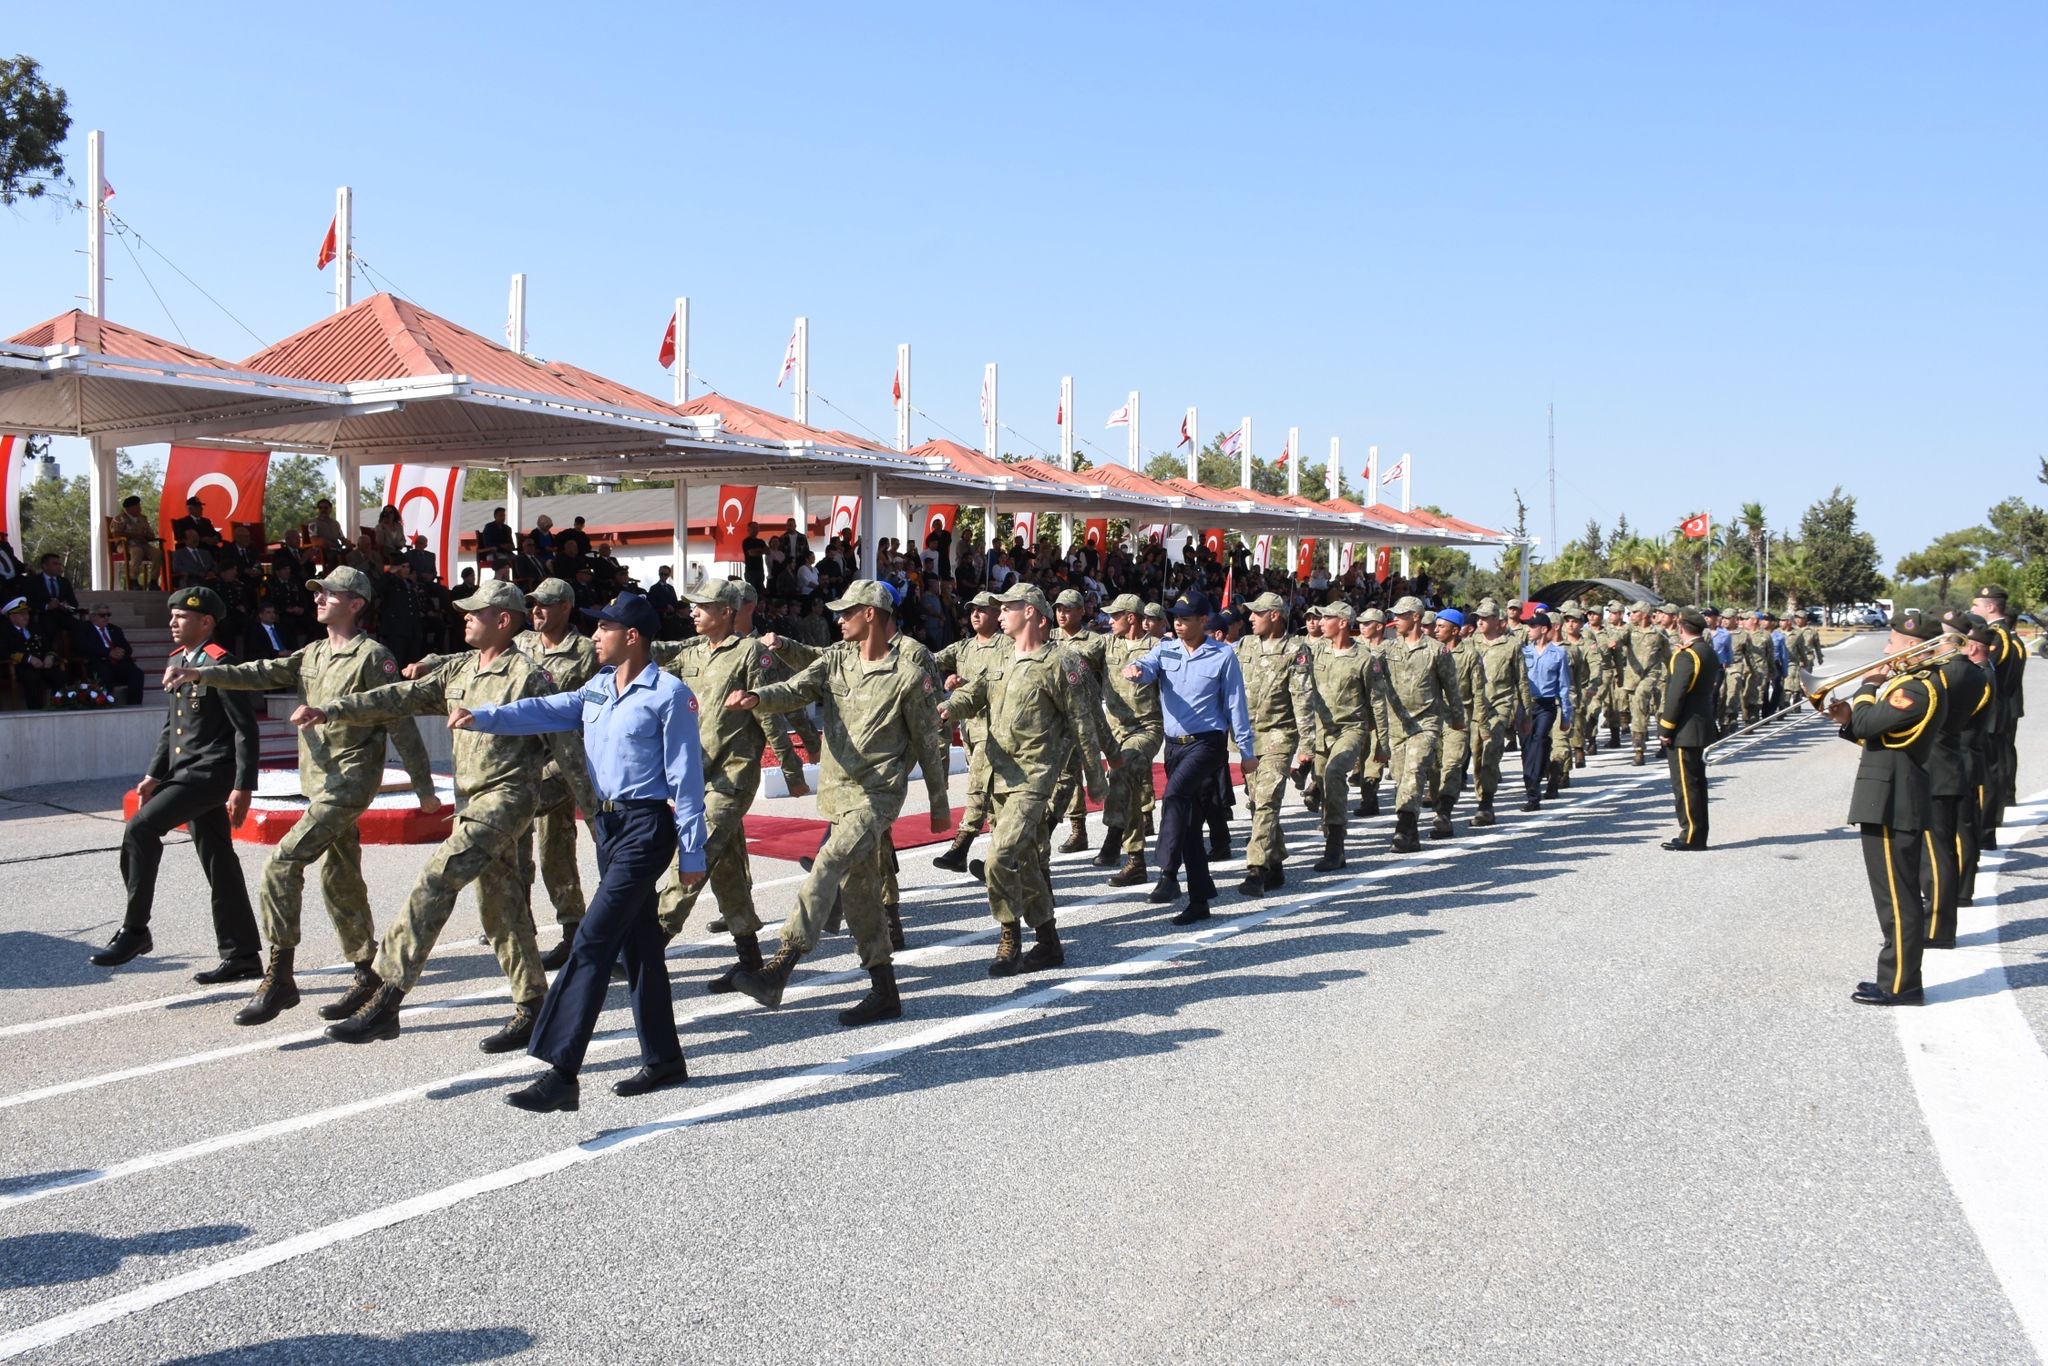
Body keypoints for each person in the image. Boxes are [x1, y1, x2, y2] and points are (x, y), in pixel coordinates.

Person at [304, 580, 593, 1050]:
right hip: (470, 803)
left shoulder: (529, 677)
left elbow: (568, 750)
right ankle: (534, 1004)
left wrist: (599, 820)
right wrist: (332, 709)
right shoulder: (459, 669)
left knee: (435, 881)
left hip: (506, 801)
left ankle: (386, 1001)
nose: (466, 617)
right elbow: (397, 697)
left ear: (503, 620)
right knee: (501, 904)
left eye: (475, 612)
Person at [451, 592, 708, 1113]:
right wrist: (483, 717)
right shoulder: (597, 688)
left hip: (646, 827)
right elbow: (544, 709)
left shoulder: (669, 694)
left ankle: (561, 1071)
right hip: (608, 827)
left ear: (631, 636)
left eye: (603, 628)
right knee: (639, 947)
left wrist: (692, 853)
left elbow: (686, 779)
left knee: (591, 941)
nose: (594, 635)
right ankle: (665, 1059)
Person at [163, 566, 442, 1024]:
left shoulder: (373, 657)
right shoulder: (313, 652)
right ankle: (367, 972)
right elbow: (263, 671)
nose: (318, 599)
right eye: (317, 592)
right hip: (318, 780)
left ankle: (280, 978)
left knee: (282, 864)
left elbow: (400, 719)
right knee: (340, 876)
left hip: (350, 780)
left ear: (355, 604)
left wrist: (423, 787)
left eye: (329, 593)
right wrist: (202, 674)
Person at [725, 580, 952, 1025]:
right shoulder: (836, 660)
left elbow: (928, 740)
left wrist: (939, 803)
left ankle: (780, 966)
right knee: (860, 893)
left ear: (870, 614)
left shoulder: (907, 674)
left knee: (828, 861)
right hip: (838, 794)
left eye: (847, 612)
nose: (839, 618)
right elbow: (795, 689)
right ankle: (885, 991)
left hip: (877, 796)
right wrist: (757, 698)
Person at [409, 576, 597, 969]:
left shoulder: (584, 651)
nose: (537, 610)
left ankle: (572, 929)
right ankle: (519, 922)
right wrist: (430, 662)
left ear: (566, 607)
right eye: (533, 604)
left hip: (560, 761)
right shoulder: (523, 642)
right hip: (520, 760)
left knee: (555, 849)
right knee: (513, 841)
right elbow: (467, 658)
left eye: (546, 603)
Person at [92, 586, 262, 980]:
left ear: (206, 622)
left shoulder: (221, 663)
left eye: (181, 616)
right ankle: (242, 955)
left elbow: (245, 729)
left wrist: (243, 786)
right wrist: (154, 774)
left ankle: (135, 930)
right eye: (171, 615)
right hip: (186, 772)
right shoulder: (178, 659)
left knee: (140, 828)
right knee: (219, 861)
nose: (172, 622)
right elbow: (172, 726)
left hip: (211, 774)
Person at [941, 583, 1103, 974]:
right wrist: (948, 708)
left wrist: (1097, 780)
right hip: (997, 776)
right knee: (1027, 863)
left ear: (1030, 611)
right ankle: (1048, 943)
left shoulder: (1061, 662)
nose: (999, 615)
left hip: (1033, 778)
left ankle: (1009, 935)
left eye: (1006, 608)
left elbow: (1082, 723)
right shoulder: (1001, 657)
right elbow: (975, 693)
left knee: (999, 858)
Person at [648, 580, 782, 989]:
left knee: (696, 848)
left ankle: (651, 940)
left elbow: (770, 710)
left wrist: (792, 768)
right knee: (726, 868)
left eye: (702, 606)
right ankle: (750, 960)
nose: (693, 612)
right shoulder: (692, 653)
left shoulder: (750, 653)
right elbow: (654, 673)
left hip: (732, 775)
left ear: (726, 611)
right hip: (697, 774)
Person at [1826, 615, 1943, 1006]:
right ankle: (1895, 977)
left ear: (1911, 646)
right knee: (1892, 895)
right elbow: (1878, 735)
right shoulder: (1912, 684)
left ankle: (1901, 984)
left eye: (1892, 642)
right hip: (1889, 794)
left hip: (1895, 799)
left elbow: (1870, 723)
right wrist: (1849, 720)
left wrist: (1868, 686)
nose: (1886, 649)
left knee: (1898, 897)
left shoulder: (1915, 688)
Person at [1122, 590, 1255, 924]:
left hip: (1207, 743)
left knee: (1174, 796)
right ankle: (1199, 899)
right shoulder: (1165, 649)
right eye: (1175, 619)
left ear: (1203, 620)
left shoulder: (1222, 655)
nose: (1178, 624)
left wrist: (1246, 752)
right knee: (1190, 822)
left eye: (1185, 619)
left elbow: (1235, 703)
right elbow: (1147, 666)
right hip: (1174, 746)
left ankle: (1167, 873)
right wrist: (1135, 669)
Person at [1373, 595, 1466, 852]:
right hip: (1397, 725)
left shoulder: (1437, 650)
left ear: (1415, 617)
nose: (1396, 620)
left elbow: (1451, 688)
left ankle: (1403, 829)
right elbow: (1366, 669)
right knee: (1401, 777)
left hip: (1426, 723)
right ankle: (1412, 831)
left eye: (1401, 616)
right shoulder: (1387, 649)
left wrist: (1458, 718)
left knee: (1413, 772)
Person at [931, 591, 1014, 872]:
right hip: (970, 731)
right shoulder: (963, 648)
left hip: (995, 731)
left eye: (982, 610)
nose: (975, 615)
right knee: (994, 799)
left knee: (978, 788)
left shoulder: (1008, 646)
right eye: (972, 610)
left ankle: (960, 847)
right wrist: (947, 679)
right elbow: (929, 661)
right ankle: (1003, 861)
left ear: (997, 614)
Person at [1097, 593, 1165, 884]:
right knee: (1125, 782)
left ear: (1131, 617)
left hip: (1146, 728)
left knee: (1122, 770)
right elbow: (1073, 649)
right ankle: (1122, 843)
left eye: (1115, 615)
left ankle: (1126, 849)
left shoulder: (1157, 647)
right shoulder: (1106, 644)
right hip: (1115, 731)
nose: (1110, 620)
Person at [1307, 602, 1370, 867]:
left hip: (1351, 728)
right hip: (1322, 730)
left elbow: (1377, 701)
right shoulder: (1315, 651)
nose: (1320, 622)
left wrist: (1382, 743)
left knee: (1334, 773)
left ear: (1342, 622)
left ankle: (1335, 846)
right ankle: (1332, 833)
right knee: (1323, 781)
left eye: (1326, 618)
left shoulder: (1364, 658)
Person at [1050, 588, 1108, 854]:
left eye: (1068, 609)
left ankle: (1071, 828)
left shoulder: (1093, 641)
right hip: (1053, 717)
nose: (1062, 614)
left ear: (1081, 611)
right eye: (1058, 609)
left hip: (1080, 715)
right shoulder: (1048, 637)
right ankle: (1073, 830)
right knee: (1063, 774)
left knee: (1068, 773)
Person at [1657, 608, 1721, 851]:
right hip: (1701, 724)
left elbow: (1676, 695)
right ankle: (1698, 834)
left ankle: (1691, 835)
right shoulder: (1706, 651)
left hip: (1684, 729)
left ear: (1681, 627)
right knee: (1697, 784)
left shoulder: (1686, 656)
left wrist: (1666, 727)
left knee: (1685, 786)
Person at [1470, 600, 1523, 826]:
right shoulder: (1470, 643)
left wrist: (1526, 712)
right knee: (1476, 755)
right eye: (1478, 618)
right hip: (1475, 708)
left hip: (1499, 707)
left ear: (1496, 620)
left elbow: (1521, 680)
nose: (1480, 622)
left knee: (1490, 753)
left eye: (1485, 618)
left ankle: (1486, 804)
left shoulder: (1511, 645)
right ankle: (1481, 796)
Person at [1431, 608, 1481, 835]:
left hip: (1458, 719)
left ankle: (1444, 813)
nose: (1436, 630)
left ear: (1455, 630)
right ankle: (1437, 804)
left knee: (1452, 765)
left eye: (1441, 626)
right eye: (1436, 626)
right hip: (1433, 718)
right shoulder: (1431, 652)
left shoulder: (1470, 655)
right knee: (1434, 767)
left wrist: (1481, 723)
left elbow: (1479, 691)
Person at [1520, 613, 1573, 810]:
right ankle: (1539, 775)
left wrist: (1566, 716)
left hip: (1546, 705)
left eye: (1533, 626)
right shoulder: (1523, 652)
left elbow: (1564, 686)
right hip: (1525, 706)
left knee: (1539, 739)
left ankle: (1533, 796)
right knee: (1527, 747)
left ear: (1543, 629)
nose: (1529, 630)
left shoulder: (1559, 654)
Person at [77, 604, 145, 705]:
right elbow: (84, 648)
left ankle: (134, 705)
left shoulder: (115, 629)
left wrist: (121, 652)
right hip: (100, 662)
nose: (106, 618)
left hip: (118, 662)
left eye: (108, 615)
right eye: (102, 615)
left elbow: (128, 649)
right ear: (92, 616)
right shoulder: (84, 629)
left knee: (137, 673)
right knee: (104, 674)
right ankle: (105, 704)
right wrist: (108, 652)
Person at [2, 595, 58, 708]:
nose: (26, 617)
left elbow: (49, 646)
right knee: (32, 678)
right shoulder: (4, 631)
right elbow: (3, 652)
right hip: (21, 667)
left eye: (27, 614)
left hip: (42, 664)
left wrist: (50, 656)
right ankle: (36, 711)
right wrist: (28, 659)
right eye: (22, 615)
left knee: (59, 675)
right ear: (12, 616)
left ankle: (59, 706)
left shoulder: (34, 627)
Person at [113, 495, 158, 590]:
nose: (140, 508)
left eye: (139, 506)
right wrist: (134, 535)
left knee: (157, 553)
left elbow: (151, 534)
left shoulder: (142, 518)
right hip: (125, 545)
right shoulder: (119, 518)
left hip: (142, 544)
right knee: (137, 551)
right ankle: (133, 581)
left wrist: (147, 536)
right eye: (137, 506)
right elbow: (116, 534)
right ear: (128, 508)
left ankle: (153, 581)